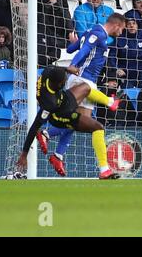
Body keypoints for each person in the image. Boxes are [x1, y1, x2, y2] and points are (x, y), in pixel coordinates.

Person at [36, 13, 126, 177]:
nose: (121, 33)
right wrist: (73, 64)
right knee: (88, 124)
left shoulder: (91, 33)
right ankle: (109, 102)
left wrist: (74, 43)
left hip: (85, 80)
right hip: (82, 80)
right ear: (116, 25)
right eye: (122, 29)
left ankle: (58, 154)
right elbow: (84, 50)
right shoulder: (98, 34)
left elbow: (72, 48)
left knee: (77, 121)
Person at [16, 66, 120, 179]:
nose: (66, 81)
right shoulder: (49, 104)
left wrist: (67, 69)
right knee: (98, 127)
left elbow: (54, 68)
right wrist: (24, 154)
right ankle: (104, 170)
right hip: (61, 115)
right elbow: (34, 127)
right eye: (64, 81)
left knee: (86, 87)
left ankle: (110, 102)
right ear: (59, 85)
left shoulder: (48, 73)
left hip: (65, 99)